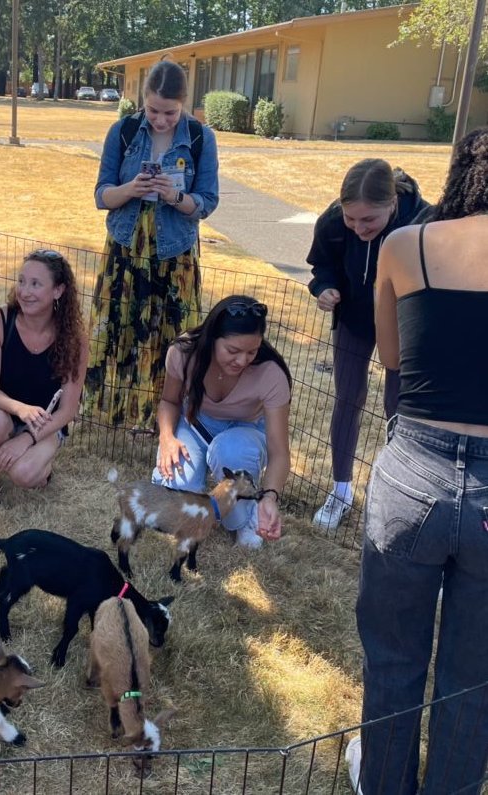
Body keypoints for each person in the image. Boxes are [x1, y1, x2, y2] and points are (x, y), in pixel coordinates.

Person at [346, 129, 488, 795]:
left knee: (392, 662)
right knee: (474, 677)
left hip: (413, 472)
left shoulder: (404, 246)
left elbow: (393, 357)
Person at [85, 59, 219, 429]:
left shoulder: (200, 139)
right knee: (120, 326)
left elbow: (206, 202)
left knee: (173, 336)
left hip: (174, 254)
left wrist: (175, 197)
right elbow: (101, 195)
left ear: (184, 104)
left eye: (170, 113)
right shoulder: (123, 132)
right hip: (126, 249)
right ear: (142, 101)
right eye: (154, 110)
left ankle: (168, 416)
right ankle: (116, 412)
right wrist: (132, 189)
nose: (160, 120)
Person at [307, 158, 429, 530]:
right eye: (351, 219)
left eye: (369, 221)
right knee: (348, 397)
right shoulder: (333, 221)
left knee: (399, 405)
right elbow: (322, 264)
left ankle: (395, 491)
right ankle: (341, 490)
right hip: (355, 321)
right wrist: (324, 287)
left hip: (404, 324)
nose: (359, 228)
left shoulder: (423, 222)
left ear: (391, 204)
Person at [151, 295, 292, 548]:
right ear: (212, 338)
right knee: (177, 511)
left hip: (245, 430)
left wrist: (269, 498)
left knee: (231, 450)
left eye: (252, 351)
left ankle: (246, 514)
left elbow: (279, 451)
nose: (242, 361)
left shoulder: (272, 373)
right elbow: (169, 402)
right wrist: (167, 438)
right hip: (195, 423)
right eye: (233, 351)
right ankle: (168, 481)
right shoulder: (183, 352)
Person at [0, 249, 88, 511]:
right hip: (2, 413)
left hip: (46, 422)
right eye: (22, 281)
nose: (24, 291)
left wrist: (26, 438)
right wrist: (19, 409)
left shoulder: (75, 338)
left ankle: (38, 465)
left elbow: (68, 410)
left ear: (58, 291)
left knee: (24, 474)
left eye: (36, 284)